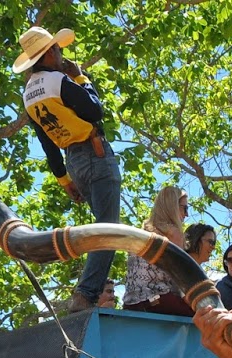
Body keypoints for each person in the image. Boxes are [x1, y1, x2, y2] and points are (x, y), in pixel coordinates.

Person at [15, 25, 121, 314]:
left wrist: (63, 179)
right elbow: (94, 110)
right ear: (49, 53)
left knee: (103, 226)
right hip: (94, 153)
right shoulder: (57, 80)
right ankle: (86, 294)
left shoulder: (28, 95)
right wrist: (80, 76)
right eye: (57, 49)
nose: (61, 54)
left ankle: (90, 290)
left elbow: (47, 145)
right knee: (109, 229)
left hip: (73, 163)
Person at [123, 187, 193, 315]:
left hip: (130, 304)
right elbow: (180, 278)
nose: (187, 214)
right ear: (172, 206)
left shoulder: (143, 233)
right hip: (157, 302)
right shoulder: (173, 233)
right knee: (205, 316)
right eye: (185, 208)